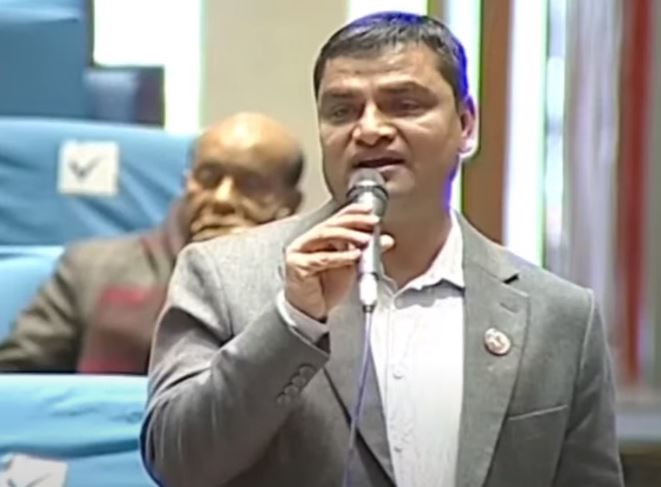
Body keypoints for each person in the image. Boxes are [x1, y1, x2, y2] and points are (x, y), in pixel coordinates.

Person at [142, 12, 624, 487]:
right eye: (341, 111)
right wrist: (294, 322)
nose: (369, 129)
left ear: (465, 125)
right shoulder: (224, 276)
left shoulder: (560, 316)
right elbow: (177, 464)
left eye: (405, 105)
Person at [0, 112, 304, 374]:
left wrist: (246, 269)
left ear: (289, 204)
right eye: (208, 178)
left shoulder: (311, 286)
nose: (222, 199)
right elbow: (15, 381)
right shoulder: (91, 268)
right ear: (187, 182)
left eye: (251, 185)